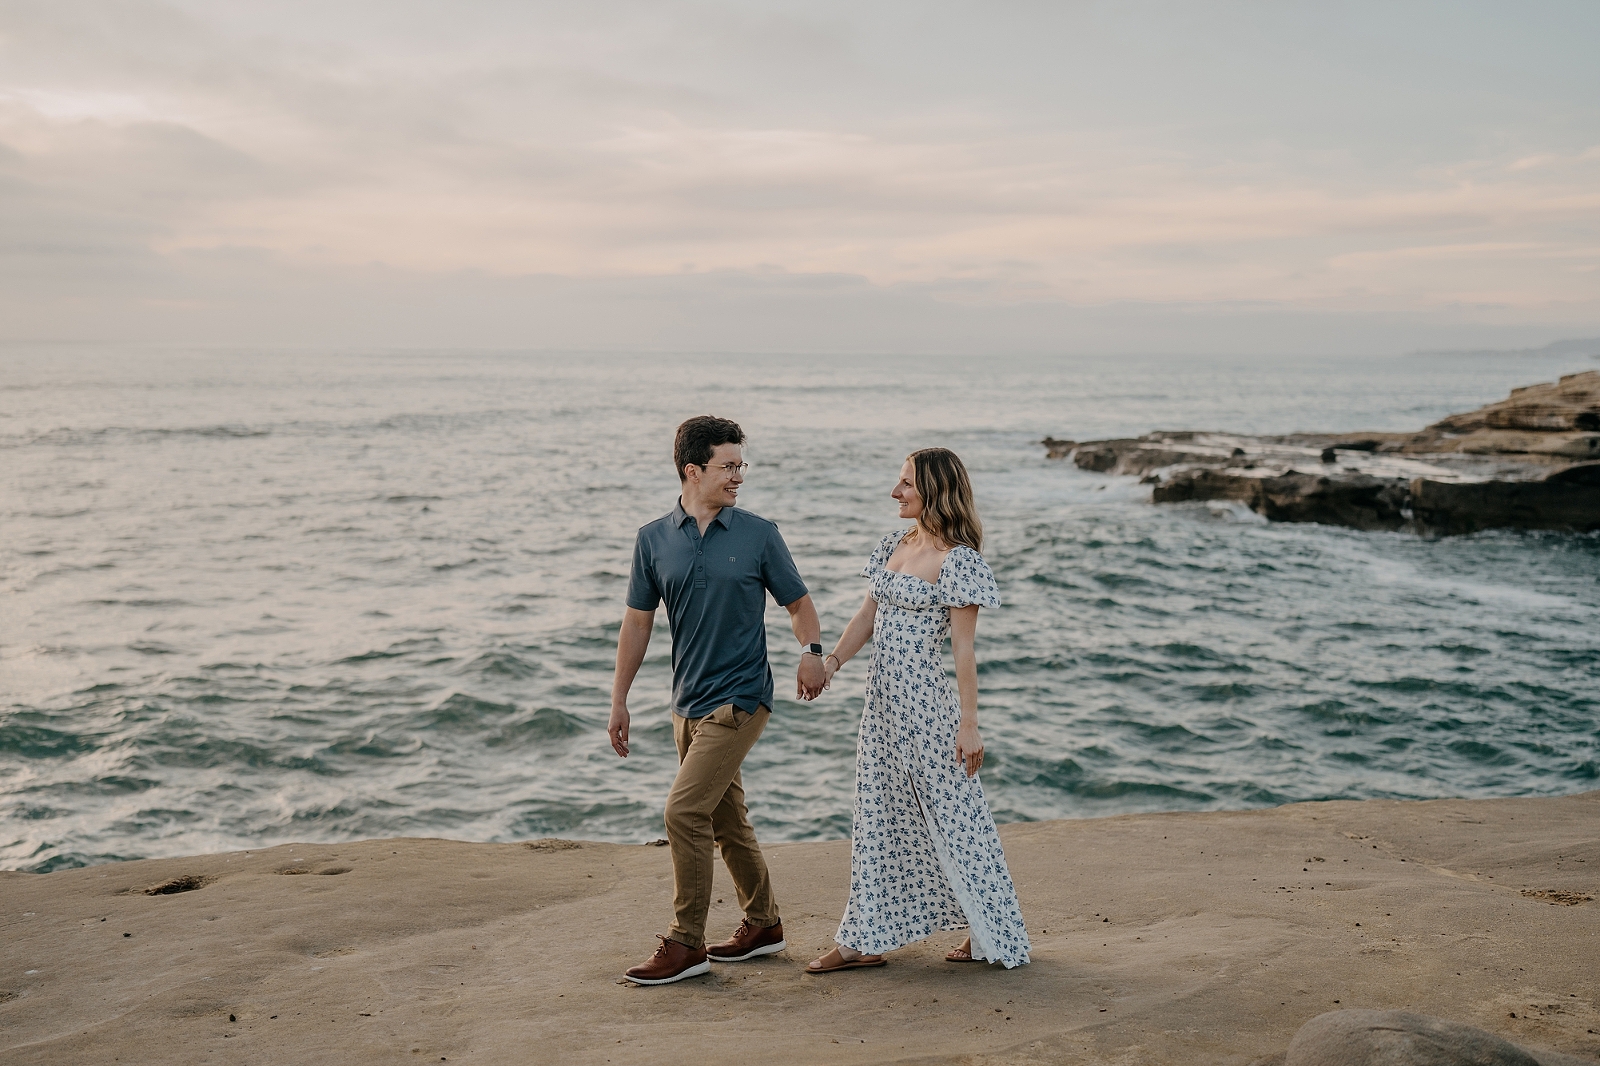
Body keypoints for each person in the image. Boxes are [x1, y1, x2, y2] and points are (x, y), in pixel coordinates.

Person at [610, 415, 828, 985]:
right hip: (686, 703)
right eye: (727, 466)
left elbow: (799, 604)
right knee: (726, 818)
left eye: (740, 465)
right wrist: (619, 699)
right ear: (692, 470)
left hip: (742, 696)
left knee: (683, 812)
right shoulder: (653, 539)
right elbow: (637, 624)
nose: (738, 476)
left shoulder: (759, 534)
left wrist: (811, 651)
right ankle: (764, 925)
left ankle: (686, 943)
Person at [807, 447, 1030, 973]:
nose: (896, 492)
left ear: (935, 489)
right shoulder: (895, 544)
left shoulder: (959, 561)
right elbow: (868, 614)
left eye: (906, 483)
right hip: (881, 707)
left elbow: (964, 651)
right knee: (877, 815)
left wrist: (969, 726)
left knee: (956, 818)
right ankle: (864, 940)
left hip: (928, 709)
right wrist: (832, 662)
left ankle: (990, 929)